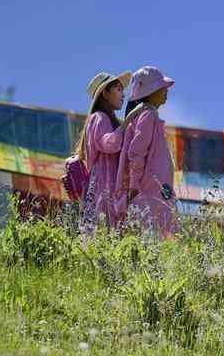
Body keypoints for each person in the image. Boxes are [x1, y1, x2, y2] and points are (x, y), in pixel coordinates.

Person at [114, 65, 178, 236]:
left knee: (154, 231)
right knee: (153, 232)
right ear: (149, 91)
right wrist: (134, 186)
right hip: (149, 188)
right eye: (161, 87)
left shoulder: (147, 115)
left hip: (153, 188)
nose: (166, 90)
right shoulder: (148, 115)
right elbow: (136, 152)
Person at [74, 70, 132, 229]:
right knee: (103, 232)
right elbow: (110, 144)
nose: (123, 94)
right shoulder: (99, 117)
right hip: (103, 189)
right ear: (105, 93)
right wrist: (128, 123)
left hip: (107, 190)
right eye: (119, 89)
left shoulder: (105, 119)